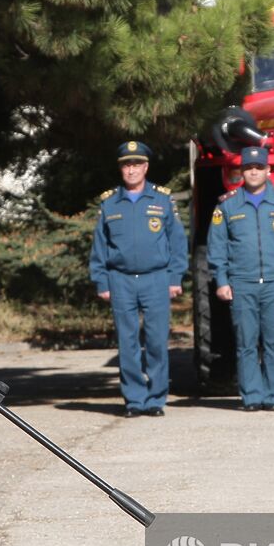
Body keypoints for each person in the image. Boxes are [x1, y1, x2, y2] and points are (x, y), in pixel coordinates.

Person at [89, 140, 188, 417]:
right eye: (126, 165)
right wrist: (101, 281)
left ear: (145, 167)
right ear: (121, 169)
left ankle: (156, 399)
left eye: (136, 164)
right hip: (120, 280)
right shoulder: (110, 203)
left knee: (156, 341)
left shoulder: (162, 200)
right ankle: (134, 399)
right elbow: (100, 246)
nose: (131, 170)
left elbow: (177, 243)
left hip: (156, 279)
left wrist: (175, 277)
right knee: (128, 342)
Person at [207, 146, 274, 412]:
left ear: (268, 170)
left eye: (259, 167)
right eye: (249, 168)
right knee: (246, 343)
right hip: (242, 283)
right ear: (242, 171)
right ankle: (251, 396)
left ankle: (272, 397)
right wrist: (222, 280)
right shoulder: (227, 205)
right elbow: (217, 247)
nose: (253, 172)